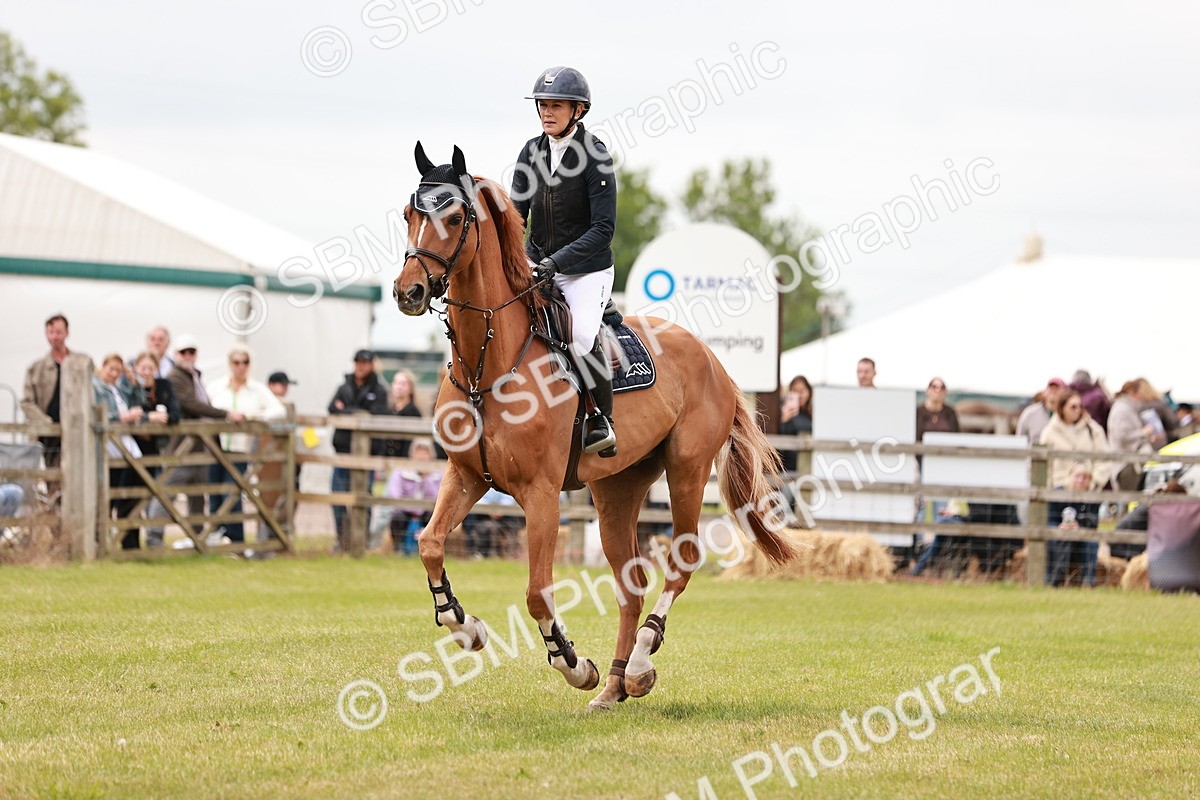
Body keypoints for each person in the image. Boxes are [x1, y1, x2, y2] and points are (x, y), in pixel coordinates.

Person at [510, 65, 619, 457]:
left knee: (581, 336)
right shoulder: (531, 152)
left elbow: (603, 229)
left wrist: (555, 263)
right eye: (543, 105)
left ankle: (601, 419)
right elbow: (516, 217)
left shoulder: (596, 156)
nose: (547, 112)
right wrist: (515, 258)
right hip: (539, 265)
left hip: (587, 270)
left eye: (556, 105)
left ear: (578, 110)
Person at [167, 335, 246, 543]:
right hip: (183, 446)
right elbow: (191, 404)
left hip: (202, 447)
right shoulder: (176, 377)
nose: (188, 356)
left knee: (199, 494)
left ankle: (197, 537)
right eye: (184, 352)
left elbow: (202, 404)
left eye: (191, 352)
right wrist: (225, 414)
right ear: (176, 355)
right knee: (166, 491)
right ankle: (154, 537)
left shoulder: (195, 376)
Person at [206, 346, 287, 545]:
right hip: (214, 446)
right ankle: (216, 534)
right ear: (230, 364)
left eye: (245, 362)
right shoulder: (216, 387)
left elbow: (279, 410)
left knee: (231, 491)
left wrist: (253, 418)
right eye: (236, 362)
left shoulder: (257, 389)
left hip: (240, 448)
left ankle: (236, 538)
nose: (241, 367)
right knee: (214, 491)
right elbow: (205, 408)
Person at [328, 349, 390, 550]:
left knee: (363, 499)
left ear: (371, 365)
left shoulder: (379, 390)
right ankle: (341, 538)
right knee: (337, 497)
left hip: (366, 455)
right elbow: (331, 408)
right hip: (343, 452)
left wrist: (345, 410)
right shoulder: (344, 386)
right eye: (358, 362)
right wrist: (357, 412)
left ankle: (360, 540)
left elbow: (378, 414)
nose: (360, 366)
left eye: (364, 362)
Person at [22, 313, 89, 476]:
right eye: (51, 332)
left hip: (76, 430)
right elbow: (27, 402)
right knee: (52, 474)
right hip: (48, 434)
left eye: (59, 332)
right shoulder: (36, 368)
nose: (55, 336)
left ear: (67, 333)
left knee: (78, 473)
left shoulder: (82, 363)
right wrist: (45, 422)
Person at [93, 353, 148, 550]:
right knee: (109, 495)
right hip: (109, 447)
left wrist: (134, 381)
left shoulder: (118, 388)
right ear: (103, 367)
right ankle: (103, 541)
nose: (114, 374)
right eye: (111, 369)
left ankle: (128, 541)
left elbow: (140, 402)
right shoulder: (96, 386)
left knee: (129, 495)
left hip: (125, 446)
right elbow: (98, 414)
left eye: (118, 370)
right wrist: (122, 417)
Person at [128, 352, 180, 548]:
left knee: (154, 493)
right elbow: (129, 412)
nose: (147, 372)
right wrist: (150, 417)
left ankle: (153, 538)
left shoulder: (164, 386)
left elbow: (175, 414)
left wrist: (161, 417)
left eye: (151, 368)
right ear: (136, 368)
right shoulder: (131, 387)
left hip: (156, 449)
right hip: (132, 448)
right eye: (143, 368)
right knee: (132, 496)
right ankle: (131, 543)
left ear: (156, 369)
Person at [1039, 390, 1111, 494]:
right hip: (1059, 491)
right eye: (1073, 407)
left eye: (1080, 406)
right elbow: (1044, 465)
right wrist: (1053, 486)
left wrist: (1094, 482)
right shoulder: (1049, 432)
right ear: (1062, 408)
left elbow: (1104, 459)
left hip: (1088, 492)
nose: (1077, 410)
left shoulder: (1093, 430)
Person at [1046, 462, 1102, 586]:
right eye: (1077, 476)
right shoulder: (1057, 493)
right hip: (1058, 533)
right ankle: (1053, 580)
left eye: (1085, 477)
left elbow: (1093, 524)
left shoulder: (1093, 498)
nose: (1080, 480)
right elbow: (1048, 519)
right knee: (1059, 540)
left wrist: (1079, 528)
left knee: (1091, 543)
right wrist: (1059, 528)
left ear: (1090, 481)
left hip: (1081, 535)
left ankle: (1088, 582)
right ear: (1069, 476)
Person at [384, 438, 443, 555]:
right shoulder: (400, 472)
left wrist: (426, 479)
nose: (421, 457)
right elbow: (395, 496)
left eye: (425, 453)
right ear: (411, 454)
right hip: (405, 511)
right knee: (397, 517)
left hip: (428, 512)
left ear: (431, 456)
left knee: (435, 518)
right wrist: (414, 509)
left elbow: (438, 498)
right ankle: (399, 548)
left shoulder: (438, 474)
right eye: (418, 452)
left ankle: (431, 549)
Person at [1107, 379, 1162, 491]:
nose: (1141, 397)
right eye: (1139, 393)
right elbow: (1121, 436)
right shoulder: (1122, 409)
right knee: (1128, 499)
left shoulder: (1126, 408)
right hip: (1126, 465)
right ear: (1132, 392)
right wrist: (1143, 433)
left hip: (1129, 463)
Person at [777, 375, 813, 472]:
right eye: (795, 391)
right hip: (789, 467)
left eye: (802, 391)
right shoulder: (782, 411)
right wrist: (783, 420)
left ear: (809, 392)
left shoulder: (812, 413)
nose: (799, 395)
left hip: (809, 465)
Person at [1015, 378, 1066, 444]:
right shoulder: (1029, 413)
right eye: (1050, 388)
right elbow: (1019, 439)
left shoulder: (1069, 414)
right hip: (1034, 450)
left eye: (1057, 388)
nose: (1053, 391)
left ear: (1065, 393)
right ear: (1045, 392)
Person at [916, 377, 960, 441]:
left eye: (942, 388)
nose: (938, 390)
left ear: (945, 392)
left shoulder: (950, 412)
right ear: (927, 390)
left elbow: (956, 436)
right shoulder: (918, 412)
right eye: (934, 387)